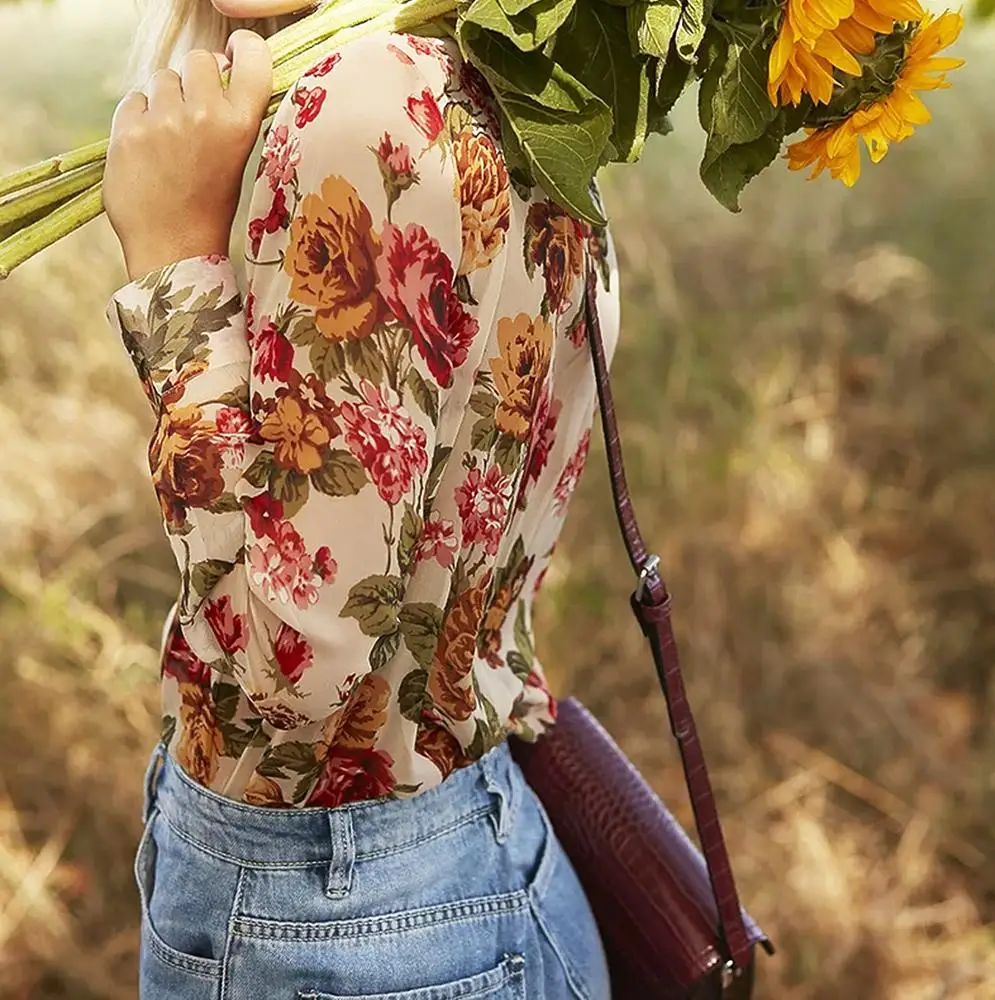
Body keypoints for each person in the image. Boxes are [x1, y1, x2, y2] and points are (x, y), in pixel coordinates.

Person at [102, 1, 621, 996]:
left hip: (336, 920)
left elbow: (291, 672)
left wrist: (173, 259)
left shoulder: (357, 106)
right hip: (468, 858)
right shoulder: (518, 84)